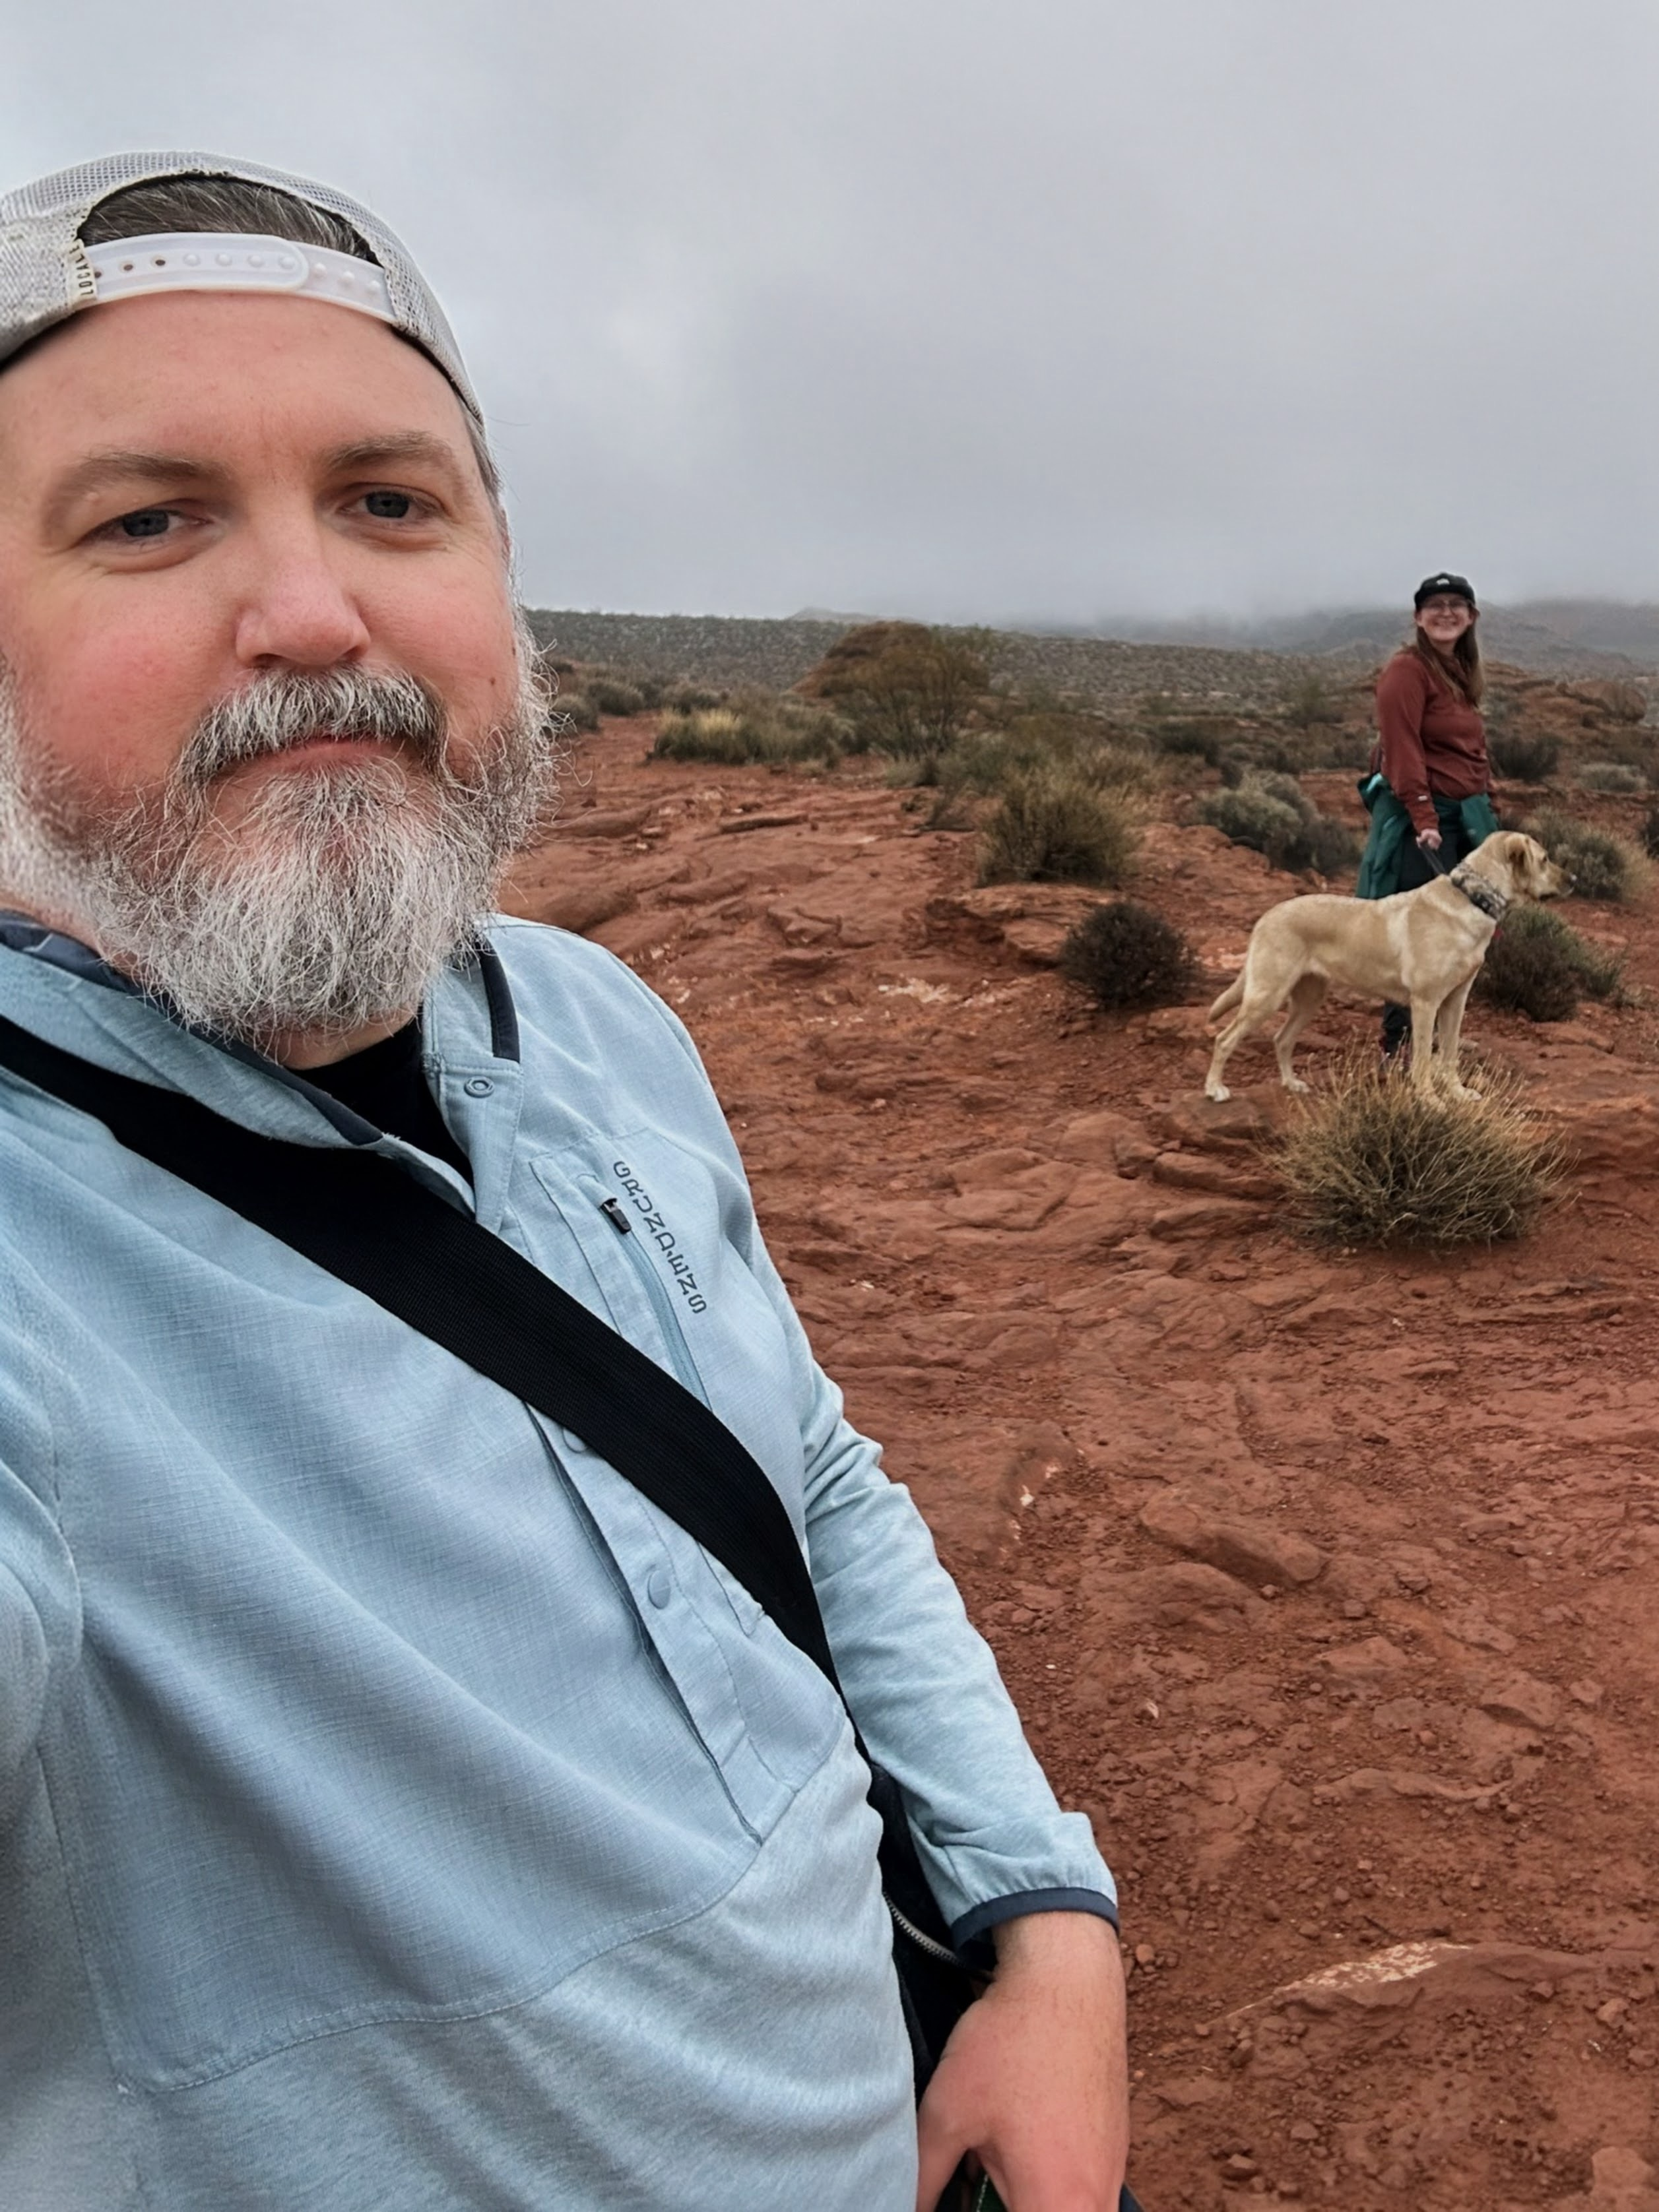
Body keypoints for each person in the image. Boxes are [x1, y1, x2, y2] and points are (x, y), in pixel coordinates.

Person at [0, 154, 1127, 2211]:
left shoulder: (592, 1021)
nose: (314, 611)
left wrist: (1044, 1925)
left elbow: (812, 1472)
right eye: (147, 520)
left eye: (391, 501)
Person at [1355, 571, 1500, 1058]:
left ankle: (1438, 1041)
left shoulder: (1458, 672)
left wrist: (1487, 800)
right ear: (1418, 617)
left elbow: (1469, 750)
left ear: (1471, 616)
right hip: (1426, 819)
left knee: (1458, 929)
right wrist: (1424, 818)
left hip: (1464, 816)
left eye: (1456, 604)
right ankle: (1399, 1047)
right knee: (1419, 933)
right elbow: (1402, 747)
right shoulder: (1407, 671)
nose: (1445, 612)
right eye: (1434, 604)